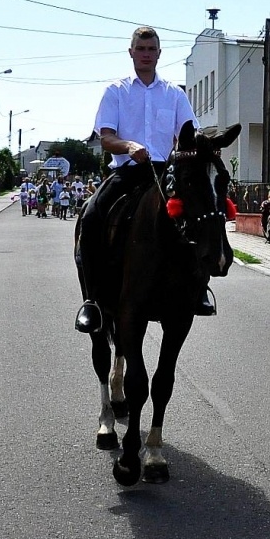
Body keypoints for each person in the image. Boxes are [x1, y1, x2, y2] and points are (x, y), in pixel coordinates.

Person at [76, 26, 212, 332]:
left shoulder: (174, 94)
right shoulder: (116, 91)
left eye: (151, 49)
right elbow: (106, 138)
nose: (146, 54)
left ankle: (199, 289)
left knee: (201, 215)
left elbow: (189, 134)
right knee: (92, 215)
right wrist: (129, 146)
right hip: (127, 172)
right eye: (141, 49)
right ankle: (93, 300)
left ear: (159, 54)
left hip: (165, 173)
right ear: (131, 52)